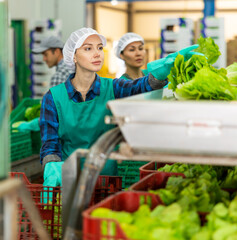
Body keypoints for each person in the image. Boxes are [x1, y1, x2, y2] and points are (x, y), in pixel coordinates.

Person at [41, 27, 200, 187]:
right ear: (73, 56)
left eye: (99, 48)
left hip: (106, 181)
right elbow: (50, 141)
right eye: (88, 48)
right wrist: (51, 165)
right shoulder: (53, 97)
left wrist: (159, 74)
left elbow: (137, 87)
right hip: (69, 180)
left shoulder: (113, 87)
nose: (97, 53)